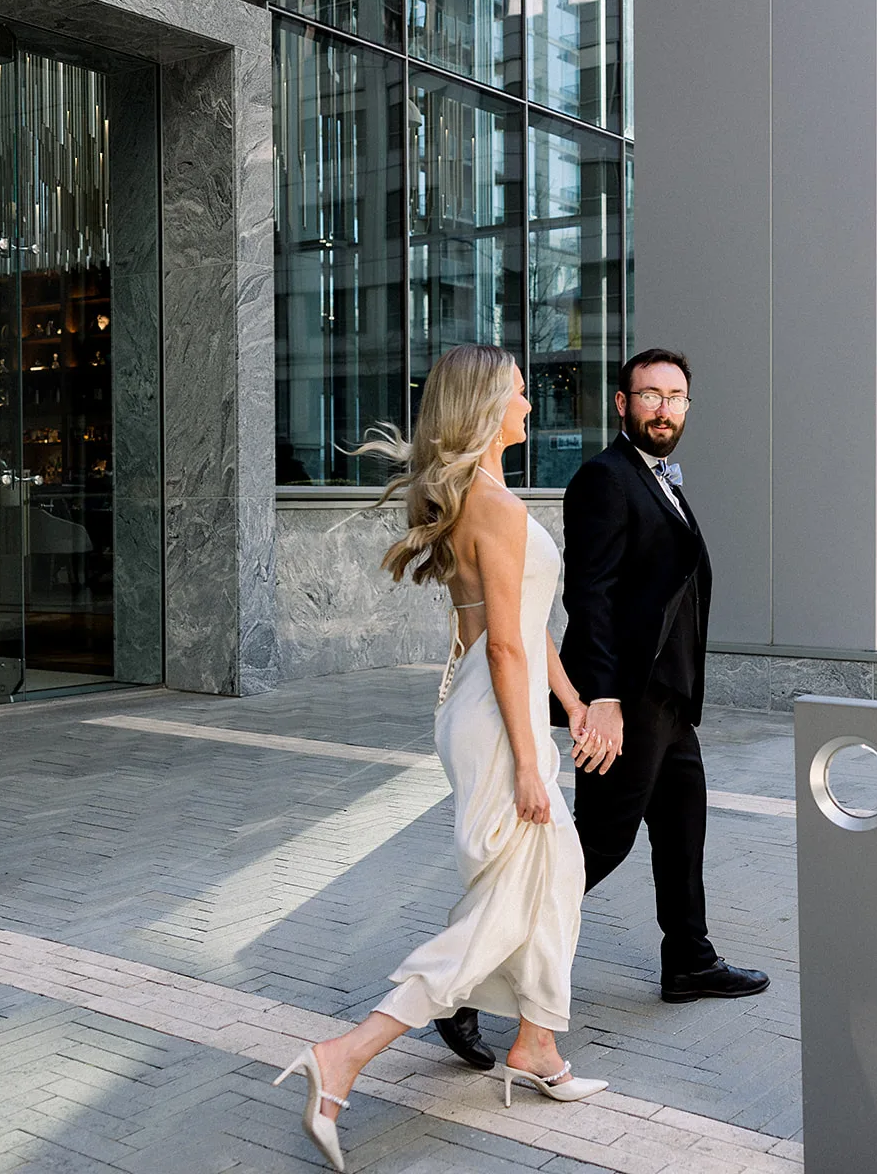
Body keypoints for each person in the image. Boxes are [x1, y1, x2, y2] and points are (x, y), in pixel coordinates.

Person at [272, 344, 609, 1173]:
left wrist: (571, 704)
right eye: (522, 397)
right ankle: (346, 1054)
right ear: (488, 407)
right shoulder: (489, 505)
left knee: (556, 872)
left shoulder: (484, 497)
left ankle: (536, 1042)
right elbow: (503, 648)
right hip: (497, 716)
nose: (532, 408)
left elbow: (528, 630)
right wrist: (533, 760)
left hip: (498, 707)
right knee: (504, 900)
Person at [433, 347, 767, 1072]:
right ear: (622, 405)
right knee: (590, 850)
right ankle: (462, 983)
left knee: (683, 827)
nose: (662, 408)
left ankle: (689, 957)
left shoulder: (660, 479)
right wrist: (602, 701)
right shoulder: (604, 479)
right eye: (648, 395)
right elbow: (591, 596)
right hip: (631, 700)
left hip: (669, 697)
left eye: (674, 396)